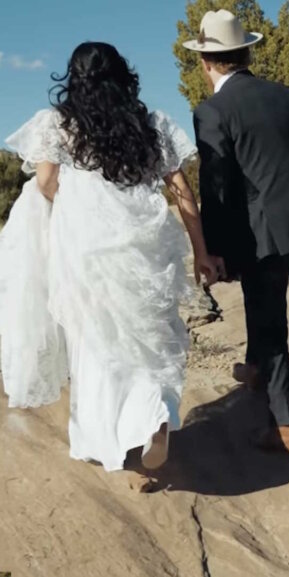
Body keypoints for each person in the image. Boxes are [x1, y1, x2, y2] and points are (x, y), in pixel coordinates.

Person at [0, 42, 217, 475]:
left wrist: (80, 207)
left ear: (74, 79)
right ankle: (153, 412)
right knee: (149, 336)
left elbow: (44, 183)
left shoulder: (59, 125)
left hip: (85, 249)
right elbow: (181, 191)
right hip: (145, 243)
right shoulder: (151, 124)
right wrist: (201, 251)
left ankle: (116, 436)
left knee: (96, 343)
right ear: (123, 75)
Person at [182, 10, 289, 458]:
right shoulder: (287, 97)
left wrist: (214, 250)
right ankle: (252, 368)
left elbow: (217, 186)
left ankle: (285, 428)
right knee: (262, 297)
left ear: (206, 62)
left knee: (271, 323)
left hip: (266, 236)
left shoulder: (211, 110)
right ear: (245, 52)